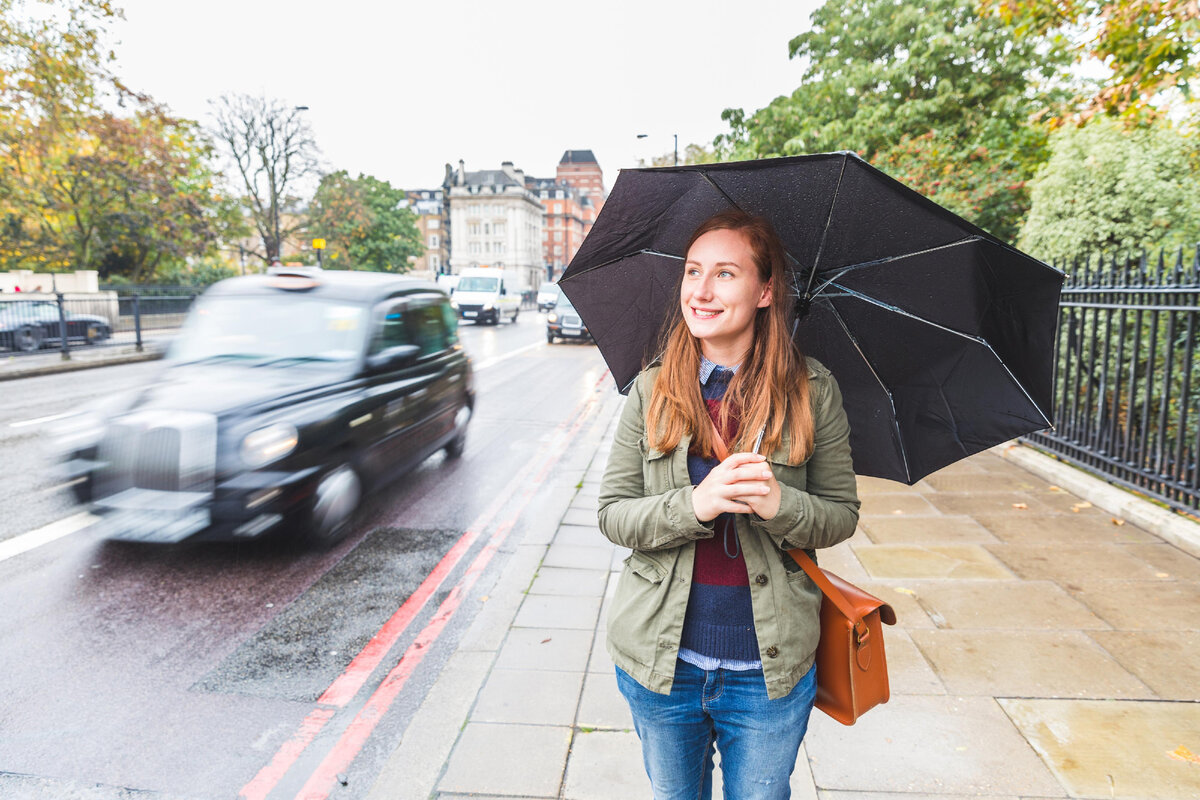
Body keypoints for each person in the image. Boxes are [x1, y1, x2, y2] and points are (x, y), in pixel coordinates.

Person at [598, 209, 860, 800]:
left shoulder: (813, 391)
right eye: (693, 272)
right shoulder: (652, 387)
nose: (701, 290)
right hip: (662, 666)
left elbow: (841, 513)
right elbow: (613, 513)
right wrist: (695, 504)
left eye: (725, 274)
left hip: (767, 674)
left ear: (765, 291)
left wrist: (778, 503)